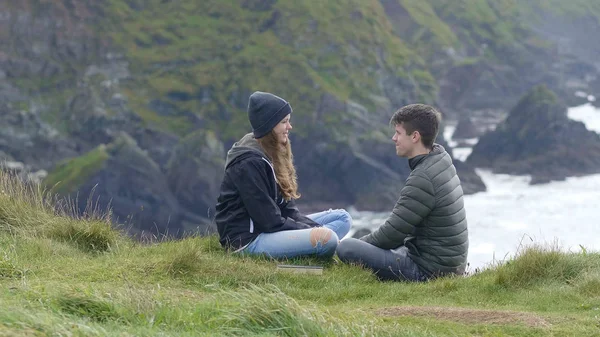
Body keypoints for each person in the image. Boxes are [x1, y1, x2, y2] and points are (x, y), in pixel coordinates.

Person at [336, 104, 468, 281]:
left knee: (347, 248)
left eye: (398, 133)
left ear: (415, 136)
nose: (393, 138)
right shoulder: (440, 156)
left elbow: (391, 235)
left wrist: (354, 247)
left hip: (429, 273)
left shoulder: (423, 177)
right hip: (445, 264)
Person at [215, 91, 352, 259]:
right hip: (248, 241)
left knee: (343, 218)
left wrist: (313, 229)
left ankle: (306, 249)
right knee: (328, 238)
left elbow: (288, 210)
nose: (290, 127)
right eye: (284, 122)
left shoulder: (270, 151)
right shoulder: (248, 164)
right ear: (269, 126)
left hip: (270, 229)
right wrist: (315, 232)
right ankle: (312, 251)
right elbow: (269, 221)